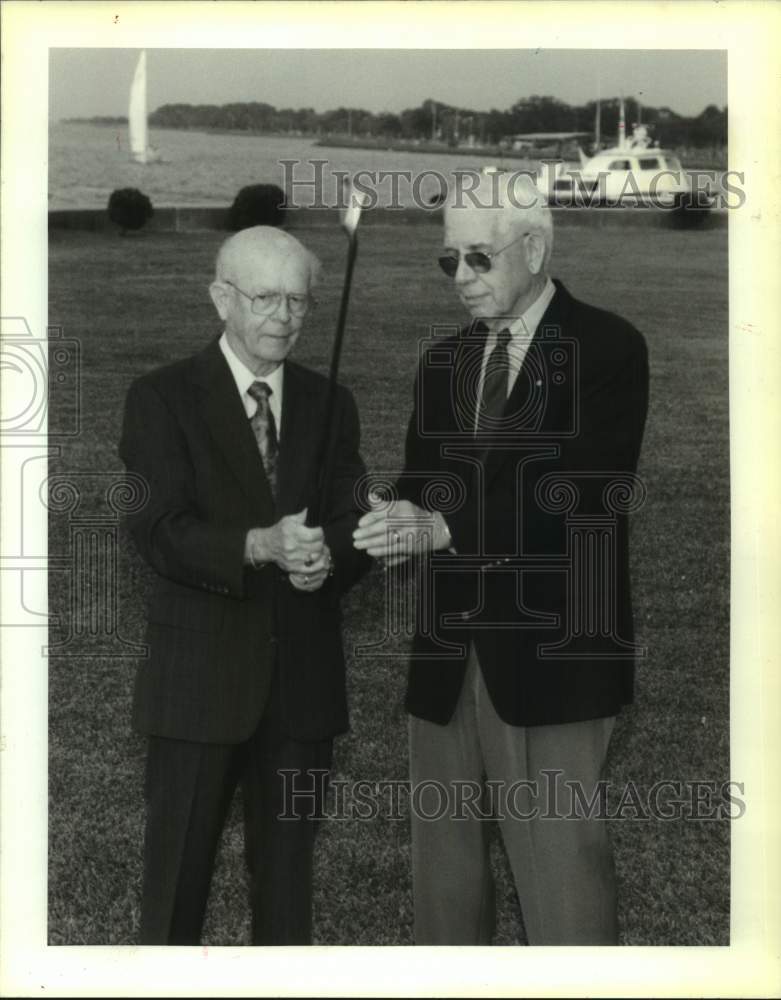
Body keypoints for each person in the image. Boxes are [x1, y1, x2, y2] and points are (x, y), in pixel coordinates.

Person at [353, 171, 649, 945]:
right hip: (446, 657)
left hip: (555, 655)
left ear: (535, 248)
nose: (461, 278)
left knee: (563, 888)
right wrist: (378, 521)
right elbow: (421, 486)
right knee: (444, 889)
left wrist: (440, 528)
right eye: (447, 260)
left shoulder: (607, 347)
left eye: (478, 258)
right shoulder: (443, 362)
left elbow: (579, 491)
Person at [119, 225, 369, 945]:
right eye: (265, 298)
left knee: (287, 898)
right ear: (220, 298)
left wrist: (330, 560)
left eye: (298, 301)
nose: (284, 317)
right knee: (175, 894)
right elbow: (157, 529)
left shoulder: (331, 402)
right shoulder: (161, 397)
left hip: (301, 690)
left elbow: (351, 519)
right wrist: (259, 545)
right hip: (196, 686)